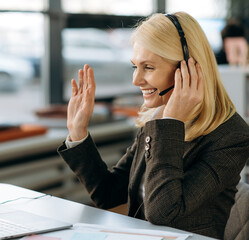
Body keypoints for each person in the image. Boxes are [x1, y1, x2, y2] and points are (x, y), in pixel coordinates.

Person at [57, 11, 249, 239]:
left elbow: (163, 212)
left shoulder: (232, 136)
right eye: (134, 67)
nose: (136, 80)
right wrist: (78, 133)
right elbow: (110, 195)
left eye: (148, 67)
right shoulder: (155, 118)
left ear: (187, 69)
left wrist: (170, 124)